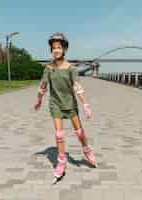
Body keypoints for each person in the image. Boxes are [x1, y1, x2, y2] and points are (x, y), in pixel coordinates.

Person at [34, 32, 97, 181]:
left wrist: (85, 105)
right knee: (59, 134)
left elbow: (77, 87)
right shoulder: (48, 68)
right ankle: (61, 162)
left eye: (59, 47)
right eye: (53, 47)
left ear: (64, 50)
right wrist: (39, 100)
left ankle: (86, 149)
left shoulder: (71, 69)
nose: (56, 50)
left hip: (69, 104)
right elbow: (43, 85)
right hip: (55, 103)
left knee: (79, 132)